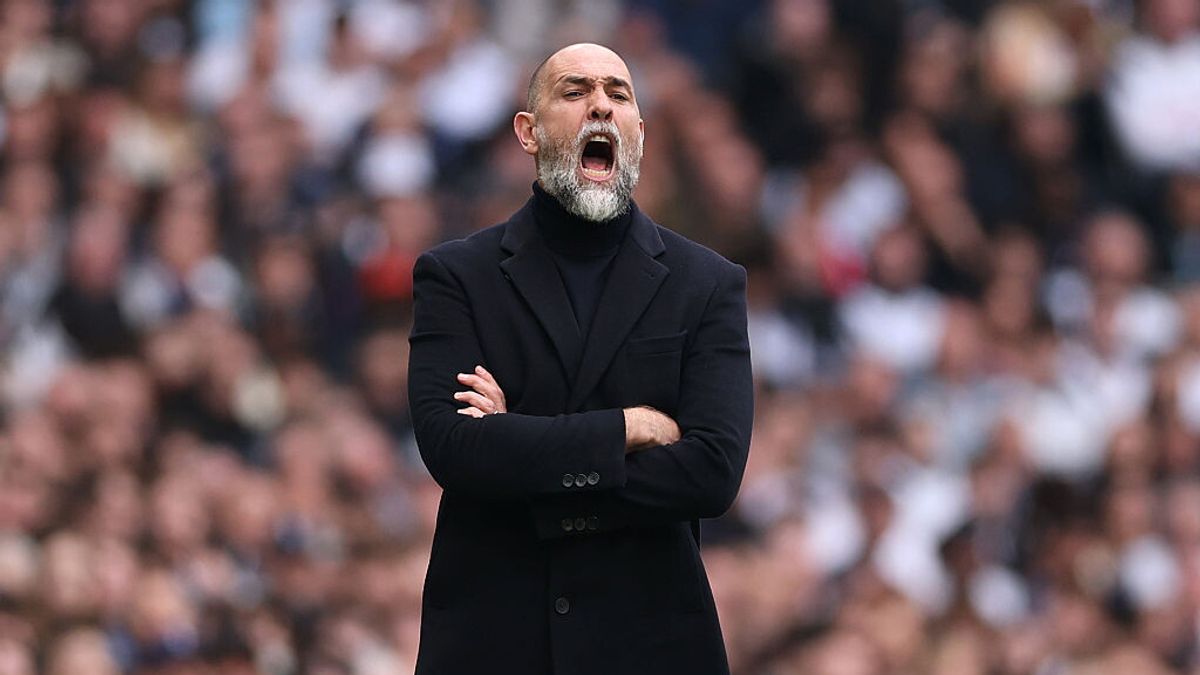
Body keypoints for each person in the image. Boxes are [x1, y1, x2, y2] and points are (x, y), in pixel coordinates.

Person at [407, 43, 754, 675]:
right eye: (574, 92)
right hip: (496, 644)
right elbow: (453, 447)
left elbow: (712, 472)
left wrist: (520, 449)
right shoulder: (457, 276)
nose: (600, 106)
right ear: (528, 133)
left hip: (650, 648)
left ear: (639, 133)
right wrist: (627, 428)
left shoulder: (707, 283)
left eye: (618, 94)